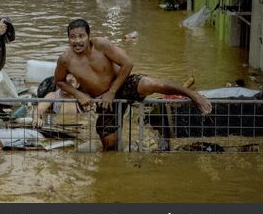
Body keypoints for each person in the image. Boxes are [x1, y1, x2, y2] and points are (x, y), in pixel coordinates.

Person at [54, 18, 213, 151]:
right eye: (72, 37)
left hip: (122, 84)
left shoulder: (101, 45)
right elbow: (59, 81)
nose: (77, 41)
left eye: (81, 36)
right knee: (109, 146)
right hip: (104, 101)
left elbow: (127, 64)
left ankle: (194, 95)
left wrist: (112, 91)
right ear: (68, 38)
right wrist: (78, 93)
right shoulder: (65, 59)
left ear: (89, 36)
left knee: (152, 84)